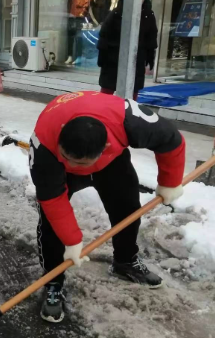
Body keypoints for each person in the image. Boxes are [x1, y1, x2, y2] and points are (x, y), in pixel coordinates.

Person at [29, 91, 185, 323]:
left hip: (111, 161)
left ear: (105, 147)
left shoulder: (132, 123)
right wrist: (72, 241)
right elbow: (53, 202)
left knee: (127, 208)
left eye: (79, 163)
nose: (72, 165)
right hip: (55, 163)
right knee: (52, 226)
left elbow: (172, 141)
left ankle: (125, 260)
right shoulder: (46, 151)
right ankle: (53, 280)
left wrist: (169, 183)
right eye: (67, 157)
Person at [97, 0, 158, 101]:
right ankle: (103, 112)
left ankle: (129, 114)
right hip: (114, 57)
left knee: (133, 89)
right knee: (107, 89)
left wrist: (150, 58)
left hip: (137, 58)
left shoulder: (148, 15)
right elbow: (104, 35)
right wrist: (102, 57)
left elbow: (151, 38)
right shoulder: (116, 12)